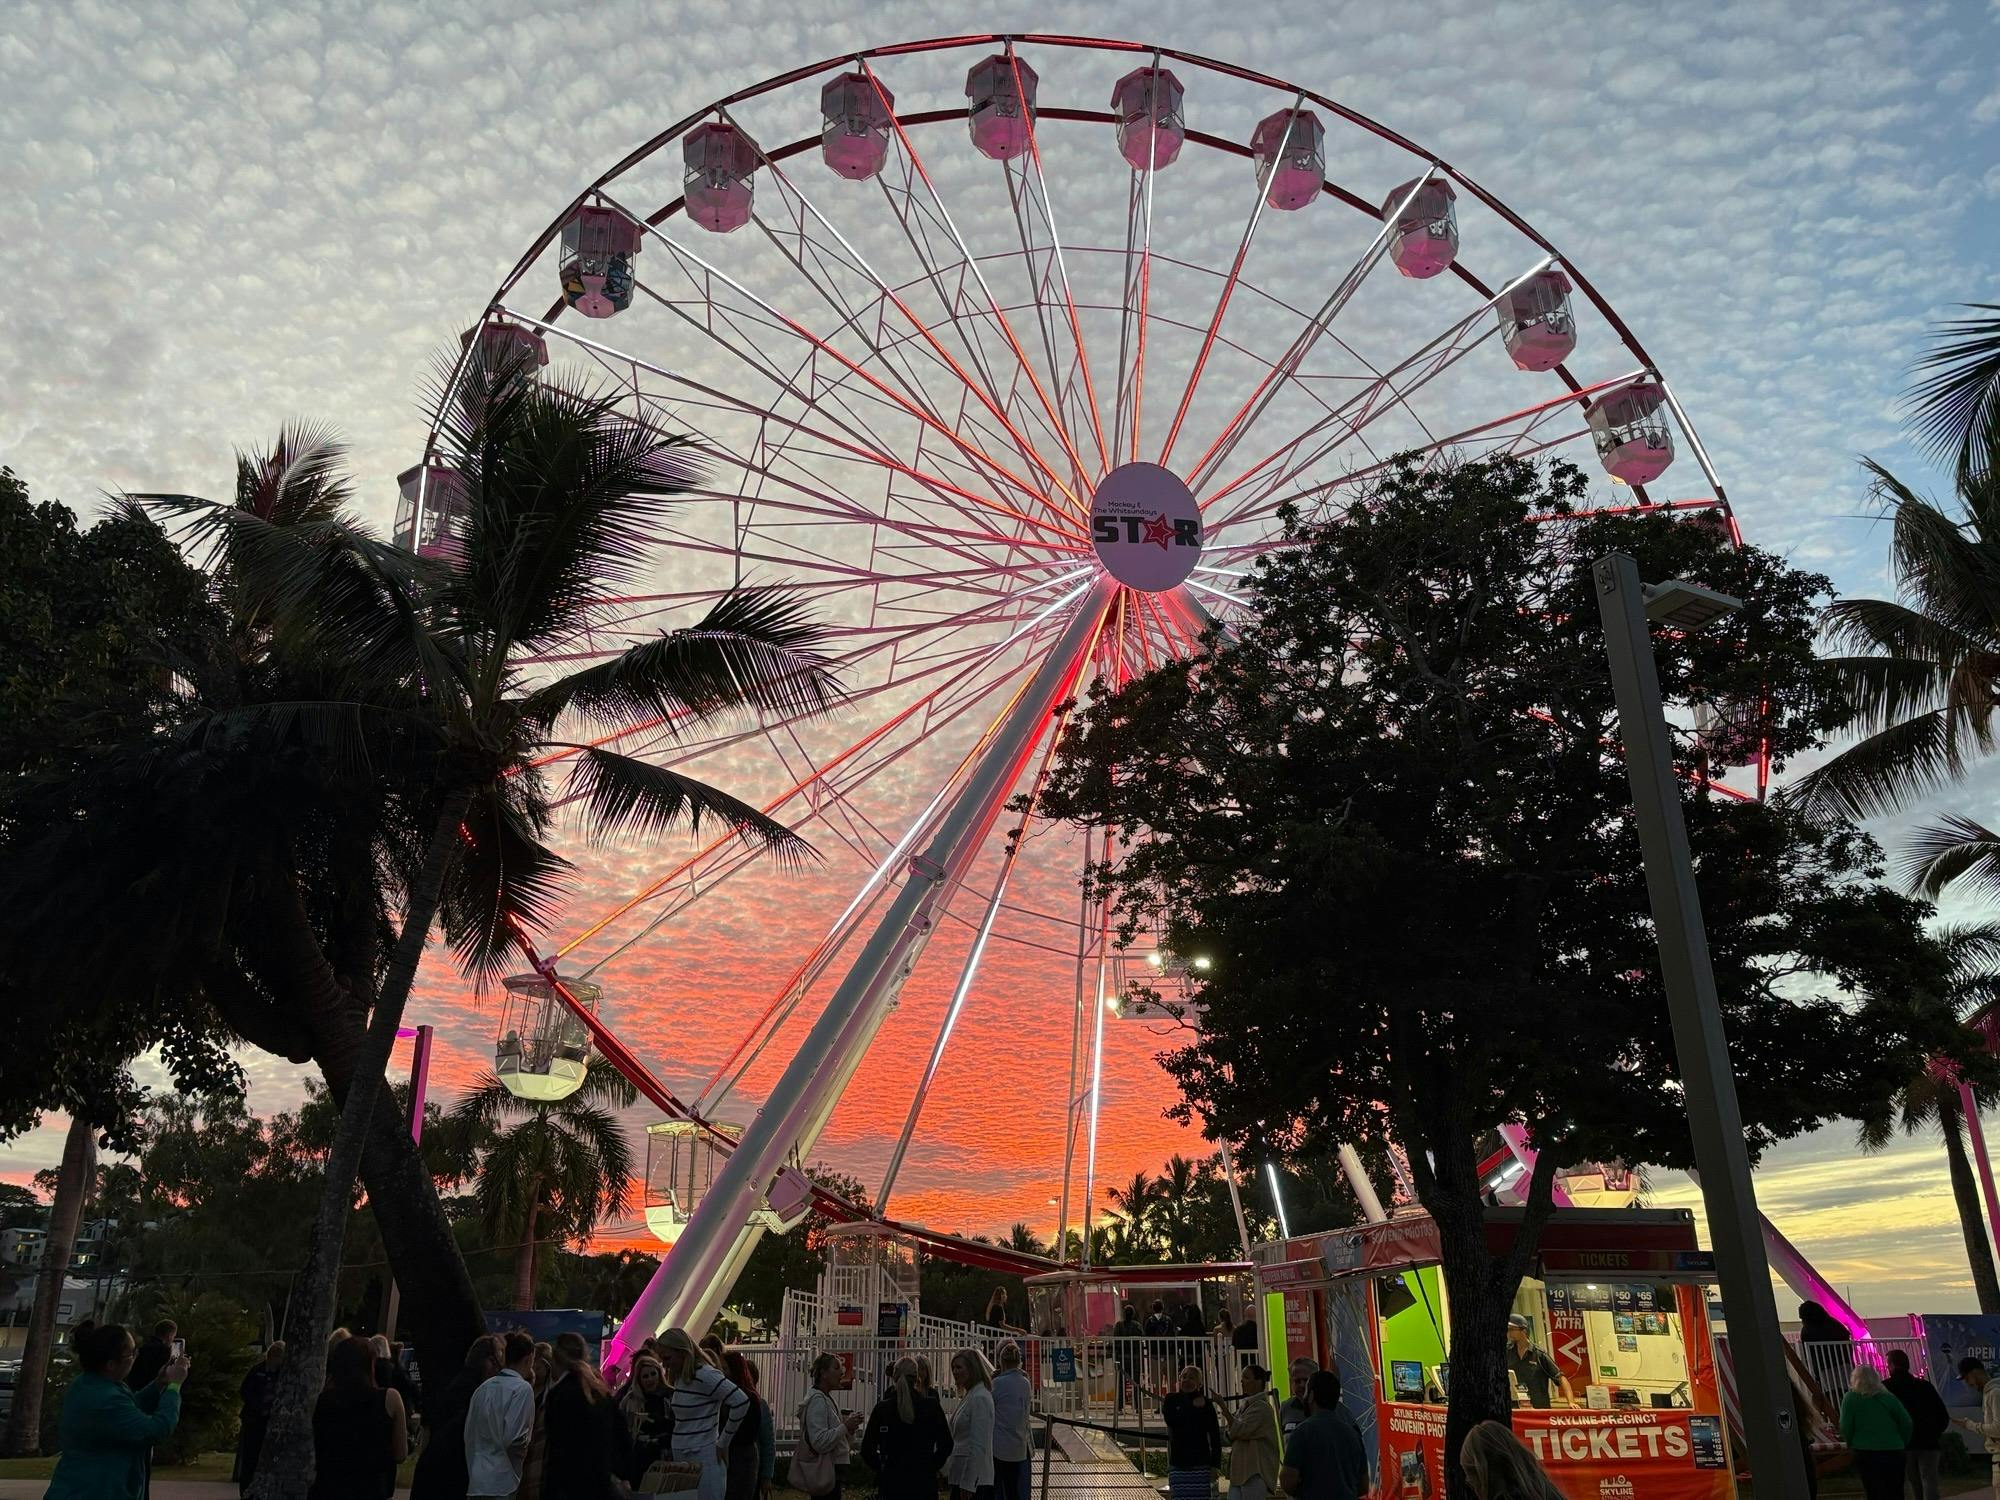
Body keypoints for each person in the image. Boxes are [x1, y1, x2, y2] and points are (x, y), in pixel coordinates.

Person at [44, 1323, 189, 1500]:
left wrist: (159, 1383)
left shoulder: (92, 1384)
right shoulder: (105, 1398)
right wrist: (174, 1386)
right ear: (111, 1364)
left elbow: (131, 1408)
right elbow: (156, 1430)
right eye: (131, 1353)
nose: (136, 1357)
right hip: (94, 1491)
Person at [310, 1334, 409, 1500]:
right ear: (371, 1364)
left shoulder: (324, 1400)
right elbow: (400, 1454)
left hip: (329, 1487)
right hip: (370, 1488)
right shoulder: (389, 1399)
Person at [659, 1327, 750, 1500]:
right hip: (685, 1457)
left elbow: (741, 1401)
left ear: (682, 1352)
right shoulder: (681, 1377)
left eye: (667, 1358)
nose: (664, 1364)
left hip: (703, 1456)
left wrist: (723, 1442)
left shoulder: (705, 1375)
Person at [412, 1333, 504, 1500]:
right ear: (489, 1363)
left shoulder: (455, 1386)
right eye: (500, 1360)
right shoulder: (476, 1397)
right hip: (451, 1481)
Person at [542, 1331, 626, 1500]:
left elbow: (556, 1444)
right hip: (599, 1479)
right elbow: (621, 1434)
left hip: (569, 1483)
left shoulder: (559, 1394)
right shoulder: (600, 1392)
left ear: (556, 1359)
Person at [862, 1358, 954, 1500]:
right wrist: (930, 1466)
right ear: (917, 1377)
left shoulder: (883, 1409)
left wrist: (883, 1468)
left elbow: (867, 1449)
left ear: (894, 1377)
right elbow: (946, 1444)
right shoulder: (931, 1406)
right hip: (924, 1483)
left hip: (892, 1484)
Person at [466, 1330, 539, 1499]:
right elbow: (514, 1439)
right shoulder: (522, 1389)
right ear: (529, 1358)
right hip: (504, 1482)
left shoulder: (483, 1388)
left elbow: (469, 1434)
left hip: (477, 1480)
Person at [1279, 1372, 1366, 1500]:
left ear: (1311, 1396)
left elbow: (1288, 1482)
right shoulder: (1353, 1434)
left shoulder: (1302, 1432)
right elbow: (1363, 1486)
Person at [1839, 1363, 1912, 1500]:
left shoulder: (1850, 1399)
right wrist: (1902, 1441)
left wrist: (1850, 1442)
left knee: (1873, 1490)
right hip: (1894, 1450)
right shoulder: (1888, 1398)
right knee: (1896, 1491)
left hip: (1865, 1451)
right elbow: (1906, 1422)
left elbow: (1845, 1425)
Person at [796, 1352, 862, 1499]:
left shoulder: (826, 1398)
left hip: (830, 1474)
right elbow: (819, 1441)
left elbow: (836, 1437)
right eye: (837, 1368)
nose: (842, 1371)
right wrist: (844, 1427)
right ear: (823, 1373)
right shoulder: (818, 1401)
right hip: (825, 1474)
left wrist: (848, 1428)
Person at [1883, 1349, 1948, 1500]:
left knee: (1913, 1481)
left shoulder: (1886, 1388)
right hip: (1929, 1441)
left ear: (1891, 1365)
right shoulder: (1924, 1386)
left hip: (1903, 1442)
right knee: (1930, 1480)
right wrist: (1935, 1432)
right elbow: (1942, 1414)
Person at [1458, 1418, 1564, 1500]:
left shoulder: (1509, 1495)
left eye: (1471, 1473)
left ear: (1484, 1471)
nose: (1469, 1481)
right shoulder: (1540, 1487)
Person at [1161, 1366, 1223, 1500]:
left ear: (1199, 1383)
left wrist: (1215, 1465)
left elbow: (1215, 1435)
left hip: (1201, 1464)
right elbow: (1173, 1421)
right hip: (1178, 1463)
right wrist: (1192, 1406)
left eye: (1192, 1377)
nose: (1187, 1380)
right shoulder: (1171, 1399)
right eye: (1184, 1376)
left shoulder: (1206, 1404)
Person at [721, 1352, 774, 1500]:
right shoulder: (720, 1400)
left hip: (742, 1464)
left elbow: (767, 1442)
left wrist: (766, 1475)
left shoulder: (755, 1403)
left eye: (724, 1368)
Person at [234, 1341, 284, 1495]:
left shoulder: (282, 1374)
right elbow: (245, 1391)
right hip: (254, 1420)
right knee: (250, 1458)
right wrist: (258, 1407)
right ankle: (246, 1490)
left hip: (271, 1421)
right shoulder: (257, 1371)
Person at [945, 1349, 996, 1500]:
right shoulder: (971, 1395)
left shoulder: (980, 1398)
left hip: (975, 1483)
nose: (955, 1371)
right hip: (962, 1478)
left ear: (972, 1368)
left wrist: (968, 1482)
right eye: (953, 1367)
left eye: (959, 1367)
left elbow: (978, 1444)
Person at [617, 1352, 675, 1483]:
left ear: (659, 1373)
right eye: (645, 1376)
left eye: (653, 1374)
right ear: (639, 1379)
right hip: (640, 1460)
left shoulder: (671, 1396)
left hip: (666, 1458)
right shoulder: (631, 1400)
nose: (650, 1379)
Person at [1227, 1364, 1282, 1500]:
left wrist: (1223, 1407)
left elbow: (1239, 1430)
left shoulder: (1261, 1408)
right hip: (1239, 1471)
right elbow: (1230, 1431)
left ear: (1258, 1382)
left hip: (1254, 1472)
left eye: (1246, 1378)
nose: (1242, 1381)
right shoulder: (1245, 1406)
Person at [991, 1343, 1032, 1500]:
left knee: (997, 1488)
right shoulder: (1025, 1383)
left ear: (1002, 1361)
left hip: (999, 1446)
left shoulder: (998, 1383)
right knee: (1013, 1488)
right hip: (1019, 1446)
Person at [1503, 1315, 1572, 1409]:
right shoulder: (1506, 1352)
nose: (1508, 1333)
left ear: (1524, 1330)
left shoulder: (1539, 1355)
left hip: (1539, 1411)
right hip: (1515, 1410)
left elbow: (1561, 1378)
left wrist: (1571, 1402)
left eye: (1511, 1329)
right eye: (1507, 1329)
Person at [1957, 1356, 2000, 1488]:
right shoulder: (1989, 1393)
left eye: (1967, 1379)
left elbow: (1998, 1429)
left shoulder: (1995, 1394)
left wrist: (1971, 1425)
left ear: (1974, 1373)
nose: (1968, 1384)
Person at [1112, 1304, 1144, 1411]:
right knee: (1136, 1382)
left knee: (1121, 1383)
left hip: (1122, 1357)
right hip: (1134, 1357)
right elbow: (1142, 1338)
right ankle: (1137, 1406)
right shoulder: (1137, 1325)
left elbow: (1115, 1340)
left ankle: (1120, 1406)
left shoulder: (1119, 1325)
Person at [1277, 1359, 1317, 1445]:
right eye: (1297, 1381)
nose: (1302, 1385)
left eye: (1306, 1380)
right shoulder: (1286, 1408)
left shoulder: (1332, 1407)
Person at [129, 1321, 177, 1391]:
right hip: (153, 1392)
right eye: (173, 1336)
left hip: (135, 1390)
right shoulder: (164, 1351)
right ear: (169, 1335)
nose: (173, 1340)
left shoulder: (143, 1347)